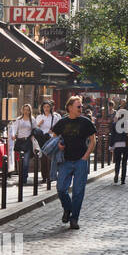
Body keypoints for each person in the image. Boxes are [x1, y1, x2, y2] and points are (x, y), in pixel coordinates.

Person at [52, 96, 96, 230]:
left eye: (81, 106)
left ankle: (74, 219)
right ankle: (67, 208)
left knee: (78, 192)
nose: (81, 109)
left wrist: (85, 157)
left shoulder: (86, 122)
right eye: (78, 106)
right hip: (65, 161)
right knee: (61, 189)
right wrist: (59, 144)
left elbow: (93, 141)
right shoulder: (62, 122)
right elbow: (54, 137)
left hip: (80, 161)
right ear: (70, 107)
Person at [8, 103, 37, 189]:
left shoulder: (32, 120)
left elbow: (35, 130)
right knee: (21, 161)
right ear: (22, 110)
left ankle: (24, 178)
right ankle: (21, 176)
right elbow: (14, 128)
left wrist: (33, 135)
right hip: (20, 142)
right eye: (24, 109)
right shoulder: (19, 119)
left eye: (28, 109)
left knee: (26, 161)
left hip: (28, 141)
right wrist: (13, 135)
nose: (26, 111)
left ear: (30, 111)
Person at [34, 101, 58, 187]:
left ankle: (50, 176)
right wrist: (39, 124)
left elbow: (58, 128)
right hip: (41, 139)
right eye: (45, 107)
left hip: (50, 138)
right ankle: (44, 176)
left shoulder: (54, 117)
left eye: (48, 107)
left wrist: (53, 131)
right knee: (43, 157)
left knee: (50, 157)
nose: (46, 108)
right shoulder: (39, 117)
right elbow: (34, 129)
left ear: (51, 108)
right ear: (42, 108)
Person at [110, 100, 128, 184]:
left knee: (118, 161)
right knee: (124, 162)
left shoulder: (115, 124)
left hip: (117, 144)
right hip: (126, 144)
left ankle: (116, 174)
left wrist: (111, 146)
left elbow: (113, 135)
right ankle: (123, 179)